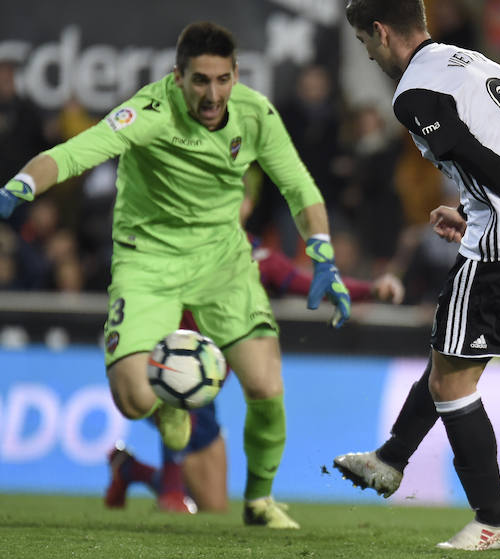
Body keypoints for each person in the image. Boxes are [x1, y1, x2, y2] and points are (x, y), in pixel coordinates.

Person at [0, 22, 351, 529]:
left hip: (223, 264)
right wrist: (24, 183)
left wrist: (322, 253)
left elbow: (298, 185)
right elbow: (78, 151)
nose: (213, 95)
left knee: (266, 386)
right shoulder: (150, 111)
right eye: (201, 81)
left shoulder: (254, 115)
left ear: (235, 75)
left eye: (223, 80)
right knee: (133, 396)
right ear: (178, 77)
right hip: (149, 265)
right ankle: (168, 404)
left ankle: (258, 502)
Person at [336, 0, 500, 551]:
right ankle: (390, 460)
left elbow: (477, 155)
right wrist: (483, 207)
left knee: (452, 382)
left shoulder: (414, 93)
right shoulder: (474, 63)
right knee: (448, 357)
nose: (369, 54)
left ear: (380, 32)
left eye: (365, 43)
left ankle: (496, 519)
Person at [106, 246, 405, 514]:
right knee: (177, 399)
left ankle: (131, 470)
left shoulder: (260, 258)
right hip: (163, 365)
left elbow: (310, 284)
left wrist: (370, 290)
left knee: (213, 504)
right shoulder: (181, 244)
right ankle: (170, 494)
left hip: (205, 390)